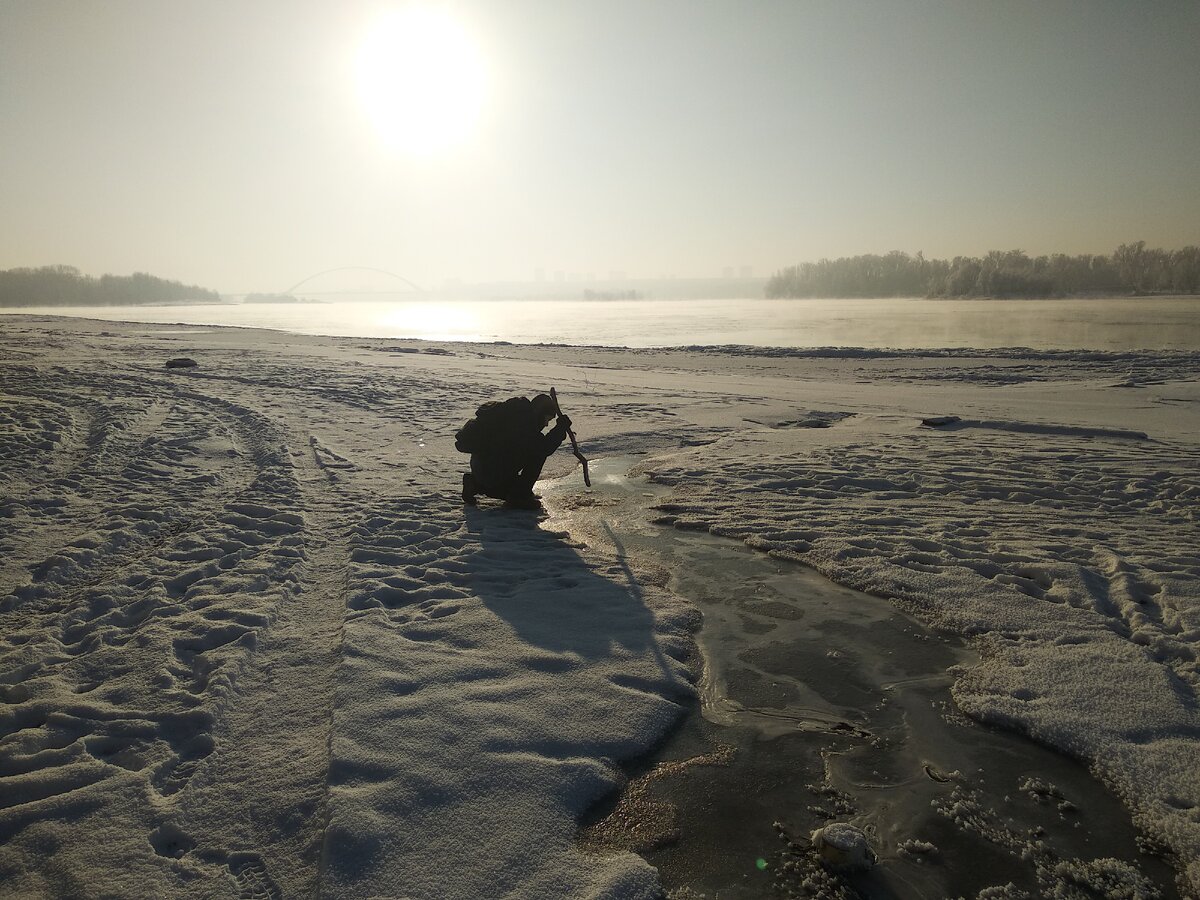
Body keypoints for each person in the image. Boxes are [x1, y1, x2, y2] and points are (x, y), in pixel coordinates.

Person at [460, 393, 571, 509]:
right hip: (493, 477)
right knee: (539, 455)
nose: (546, 424)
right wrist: (560, 429)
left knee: (529, 453)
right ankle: (519, 496)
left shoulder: (512, 416)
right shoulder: (524, 425)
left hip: (481, 471)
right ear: (540, 413)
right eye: (547, 419)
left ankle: (475, 483)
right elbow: (544, 447)